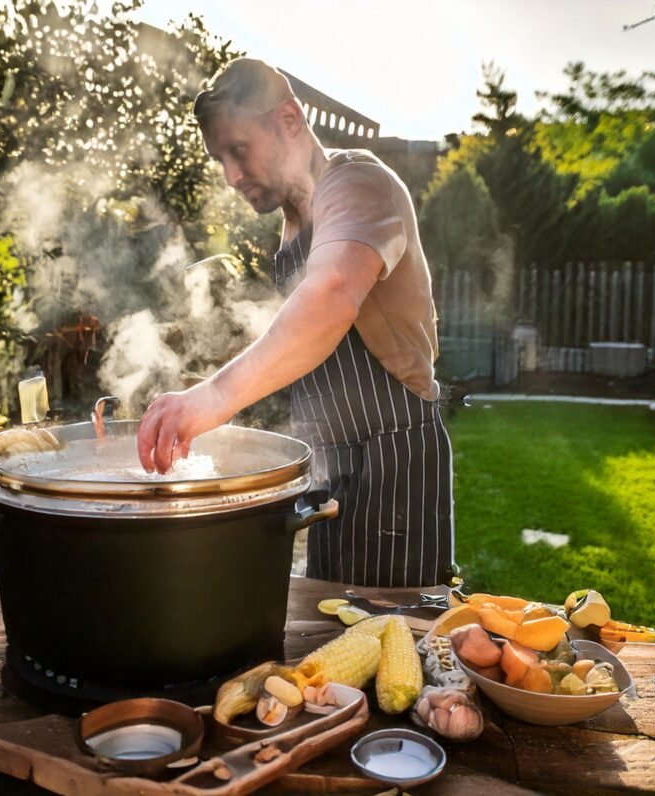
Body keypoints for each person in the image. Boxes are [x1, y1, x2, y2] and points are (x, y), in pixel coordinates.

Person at [136, 58, 454, 587]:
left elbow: (330, 297)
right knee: (329, 627)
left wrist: (213, 397)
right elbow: (294, 342)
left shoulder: (358, 184)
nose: (231, 176)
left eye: (238, 150)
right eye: (220, 159)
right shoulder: (292, 223)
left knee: (395, 637)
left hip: (392, 462)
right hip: (330, 465)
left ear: (288, 119)